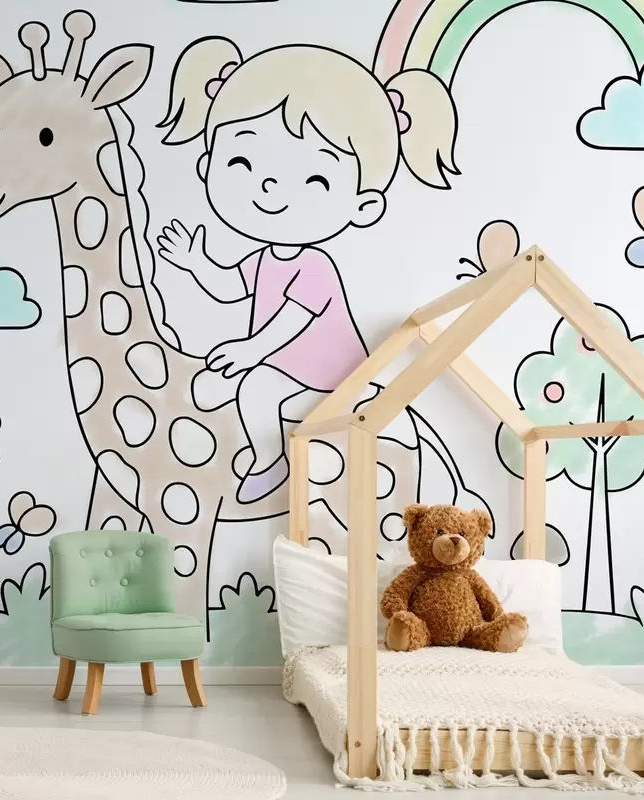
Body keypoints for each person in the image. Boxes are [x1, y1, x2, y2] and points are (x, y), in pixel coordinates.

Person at [157, 38, 456, 504]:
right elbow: (231, 286)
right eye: (241, 161)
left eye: (315, 179)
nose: (268, 186)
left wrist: (251, 350)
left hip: (329, 376)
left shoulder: (315, 266)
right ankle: (256, 443)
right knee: (233, 386)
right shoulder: (265, 258)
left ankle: (268, 460)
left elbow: (293, 319)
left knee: (253, 387)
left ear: (363, 205)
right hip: (280, 364)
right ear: (207, 164)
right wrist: (197, 263)